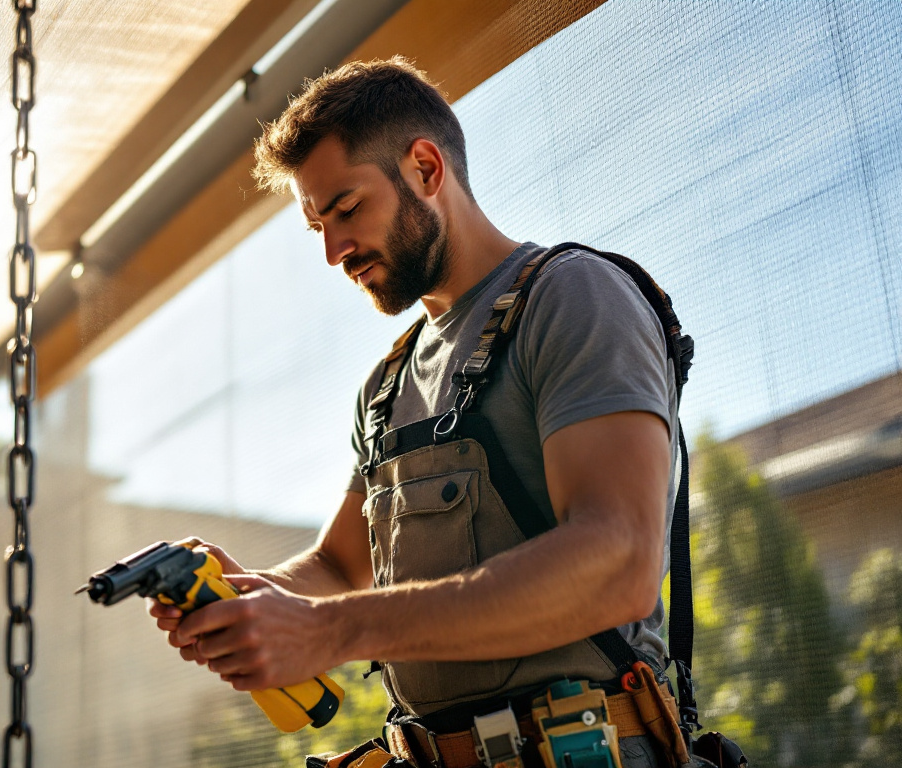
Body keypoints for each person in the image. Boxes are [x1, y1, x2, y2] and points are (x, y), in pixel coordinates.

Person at [148, 56, 706, 768]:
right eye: (316, 224)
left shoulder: (573, 297)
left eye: (346, 210)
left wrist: (332, 633)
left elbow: (618, 563)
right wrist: (240, 598)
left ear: (424, 169)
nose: (332, 251)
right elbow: (339, 566)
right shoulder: (385, 384)